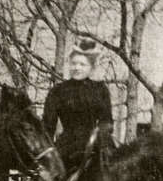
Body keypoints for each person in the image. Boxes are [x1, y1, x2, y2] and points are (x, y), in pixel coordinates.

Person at [42, 40, 114, 173]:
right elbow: (48, 127)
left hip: (95, 146)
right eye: (74, 63)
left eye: (82, 64)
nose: (77, 68)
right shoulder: (58, 91)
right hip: (67, 148)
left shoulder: (100, 89)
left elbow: (107, 121)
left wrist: (98, 136)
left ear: (91, 68)